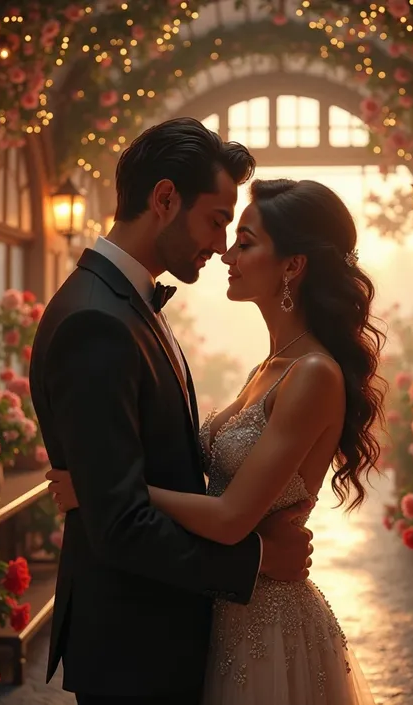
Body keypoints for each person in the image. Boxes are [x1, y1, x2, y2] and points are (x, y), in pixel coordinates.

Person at [50, 177, 386, 704]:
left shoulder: (314, 373)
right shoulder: (270, 367)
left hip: (269, 625)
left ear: (293, 265)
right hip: (225, 609)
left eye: (246, 241)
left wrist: (101, 491)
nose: (227, 252)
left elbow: (230, 516)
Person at [29, 118, 314, 705]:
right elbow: (122, 525)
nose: (219, 244)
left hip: (158, 639)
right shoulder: (96, 321)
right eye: (215, 220)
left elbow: (131, 485)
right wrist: (259, 559)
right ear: (164, 199)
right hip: (136, 649)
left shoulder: (124, 304)